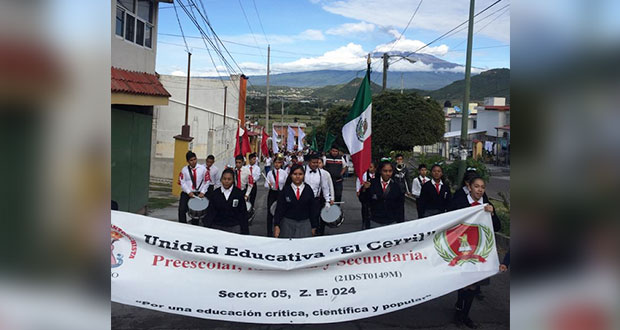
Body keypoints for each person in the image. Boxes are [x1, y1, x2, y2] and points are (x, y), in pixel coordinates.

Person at [448, 175, 499, 328]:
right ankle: (458, 310)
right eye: (476, 186)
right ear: (469, 187)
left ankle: (465, 315)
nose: (479, 190)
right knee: (464, 282)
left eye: (482, 187)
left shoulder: (486, 205)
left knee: (474, 283)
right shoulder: (460, 202)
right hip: (461, 248)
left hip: (479, 249)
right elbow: (449, 221)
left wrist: (492, 213)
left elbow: (497, 227)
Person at [273, 164, 318, 238]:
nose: (297, 176)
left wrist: (314, 226)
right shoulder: (285, 190)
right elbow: (279, 209)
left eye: (300, 174)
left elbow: (312, 209)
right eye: (295, 174)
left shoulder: (308, 190)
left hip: (305, 224)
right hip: (287, 224)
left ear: (304, 175)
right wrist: (277, 225)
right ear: (291, 175)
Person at [359, 160, 405, 228]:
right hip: (375, 220)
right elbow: (363, 200)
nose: (387, 173)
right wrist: (364, 189)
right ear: (380, 171)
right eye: (385, 171)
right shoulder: (372, 183)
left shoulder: (397, 187)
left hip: (391, 221)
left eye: (390, 171)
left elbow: (400, 206)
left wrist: (401, 223)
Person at [203, 168, 249, 234]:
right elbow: (211, 212)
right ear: (221, 179)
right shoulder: (215, 194)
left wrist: (245, 231)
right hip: (218, 227)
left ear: (233, 180)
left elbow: (243, 213)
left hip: (234, 227)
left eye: (229, 179)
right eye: (224, 179)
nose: (226, 181)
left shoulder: (238, 193)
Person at [305, 153, 334, 236]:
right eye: (313, 163)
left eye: (317, 163)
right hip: (304, 199)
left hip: (315, 200)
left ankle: (314, 235)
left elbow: (325, 187)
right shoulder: (303, 170)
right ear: (309, 162)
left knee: (315, 219)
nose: (315, 165)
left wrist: (327, 201)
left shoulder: (322, 173)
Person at [177, 151, 208, 225]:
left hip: (198, 193)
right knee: (182, 210)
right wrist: (188, 192)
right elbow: (182, 182)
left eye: (195, 159)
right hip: (187, 193)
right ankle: (182, 225)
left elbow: (207, 181)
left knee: (196, 214)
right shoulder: (184, 170)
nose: (193, 162)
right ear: (187, 161)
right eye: (191, 160)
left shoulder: (203, 169)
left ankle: (194, 227)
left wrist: (203, 192)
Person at [264, 155, 288, 237]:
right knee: (270, 212)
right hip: (272, 193)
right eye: (276, 163)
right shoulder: (270, 173)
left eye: (279, 163)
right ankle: (269, 232)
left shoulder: (284, 173)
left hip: (281, 193)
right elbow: (265, 185)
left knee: (280, 211)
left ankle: (279, 229)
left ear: (281, 164)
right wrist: (269, 185)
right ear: (273, 163)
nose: (277, 164)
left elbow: (287, 184)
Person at [356, 161, 377, 229]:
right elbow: (358, 181)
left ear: (375, 168)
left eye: (371, 167)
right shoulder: (364, 174)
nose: (369, 169)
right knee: (365, 207)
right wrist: (358, 190)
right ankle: (364, 221)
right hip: (365, 193)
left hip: (373, 194)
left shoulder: (377, 175)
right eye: (368, 167)